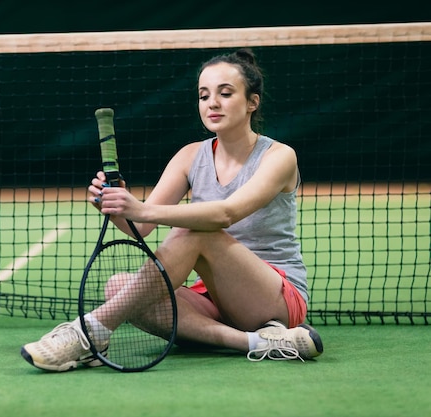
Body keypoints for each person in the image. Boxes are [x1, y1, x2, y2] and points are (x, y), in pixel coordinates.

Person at [21, 48, 323, 372]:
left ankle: (88, 332)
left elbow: (225, 214)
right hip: (213, 297)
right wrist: (117, 206)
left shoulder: (279, 156)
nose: (212, 103)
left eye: (225, 93)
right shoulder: (190, 156)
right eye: (204, 95)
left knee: (196, 232)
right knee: (118, 287)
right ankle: (260, 342)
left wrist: (141, 210)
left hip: (275, 296)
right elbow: (142, 227)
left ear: (252, 102)